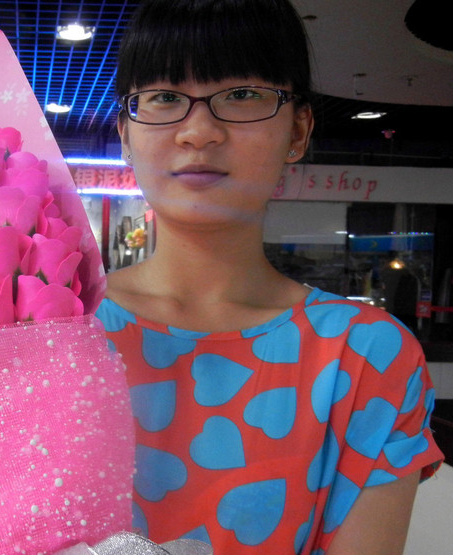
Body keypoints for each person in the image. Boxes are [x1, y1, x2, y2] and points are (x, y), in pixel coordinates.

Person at [94, 0, 444, 553]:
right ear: (125, 133)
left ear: (298, 129)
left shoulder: (365, 356)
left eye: (242, 95)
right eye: (163, 97)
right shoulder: (49, 327)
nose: (199, 131)